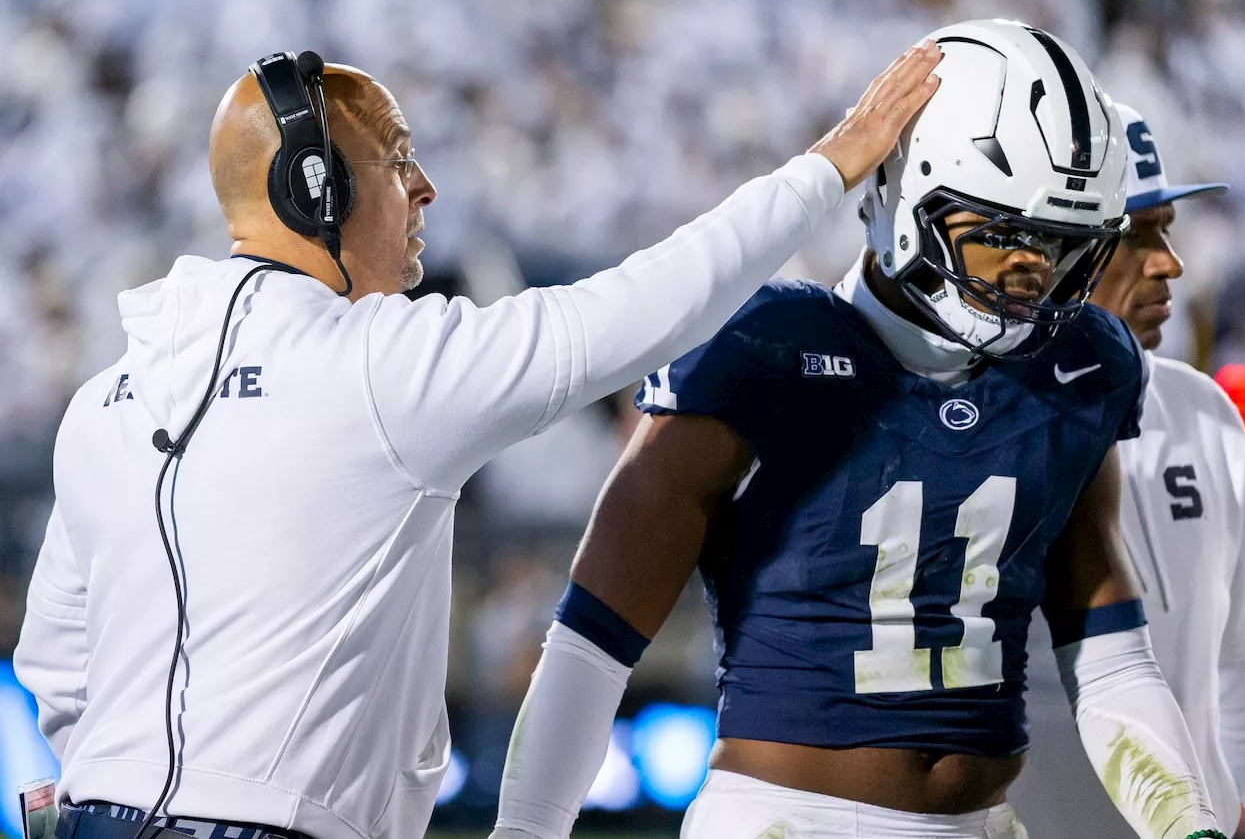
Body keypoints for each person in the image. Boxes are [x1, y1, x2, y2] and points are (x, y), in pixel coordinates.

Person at [11, 44, 944, 839]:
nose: (424, 186)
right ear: (315, 188)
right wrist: (828, 166)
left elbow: (57, 666)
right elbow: (636, 310)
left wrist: (125, 782)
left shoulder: (105, 400)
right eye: (396, 157)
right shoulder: (378, 366)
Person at [489, 20, 1232, 839]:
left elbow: (1110, 655)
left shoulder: (1082, 365)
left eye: (1060, 242)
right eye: (1006, 234)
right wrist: (526, 830)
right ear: (906, 198)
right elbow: (593, 643)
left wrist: (1186, 823)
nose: (1035, 269)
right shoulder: (763, 348)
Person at [1007, 104, 1245, 839]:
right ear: (1046, 246)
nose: (1171, 264)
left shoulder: (1205, 414)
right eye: (1135, 235)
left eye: (1167, 229)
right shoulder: (969, 429)